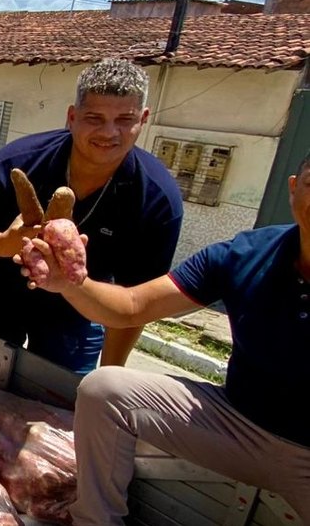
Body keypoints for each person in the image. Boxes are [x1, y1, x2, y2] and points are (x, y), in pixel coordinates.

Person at [16, 150, 310, 525]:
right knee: (104, 390)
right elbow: (132, 304)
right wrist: (68, 284)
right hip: (238, 424)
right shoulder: (247, 254)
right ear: (293, 189)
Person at [0, 58, 183, 374]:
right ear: (72, 117)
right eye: (94, 118)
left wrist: (110, 378)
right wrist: (7, 243)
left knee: (60, 403)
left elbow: (137, 303)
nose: (109, 132)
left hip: (80, 308)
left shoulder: (156, 199)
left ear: (143, 119)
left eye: (125, 119)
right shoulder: (19, 161)